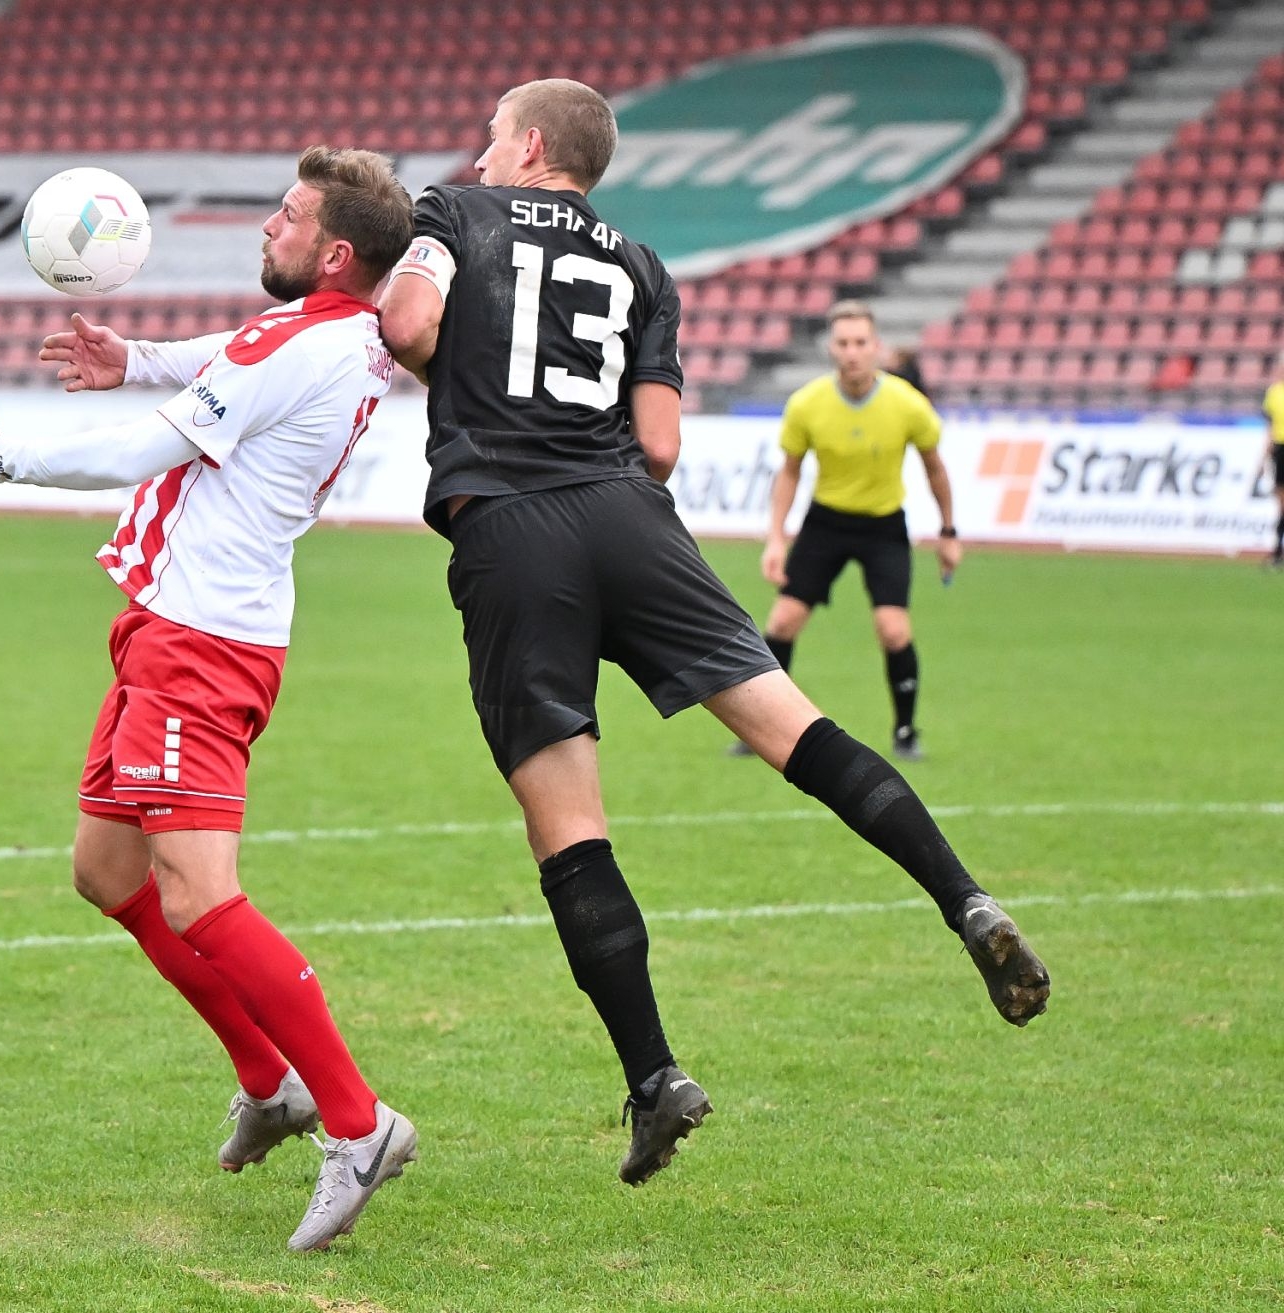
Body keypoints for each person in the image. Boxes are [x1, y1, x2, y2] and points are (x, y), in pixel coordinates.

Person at [378, 79, 1049, 1188]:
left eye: (493, 137)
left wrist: (464, 380)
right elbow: (660, 443)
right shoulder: (643, 265)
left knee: (570, 827)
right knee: (798, 727)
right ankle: (964, 897)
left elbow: (407, 323)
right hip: (629, 516)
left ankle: (656, 1077)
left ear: (530, 144)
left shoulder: (455, 211)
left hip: (510, 526)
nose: (481, 154)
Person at [0, 146, 418, 1253]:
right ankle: (270, 1080)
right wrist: (137, 356)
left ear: (334, 252)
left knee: (202, 896)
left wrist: (1, 457)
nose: (269, 226)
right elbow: (229, 355)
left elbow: (150, 445)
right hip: (175, 630)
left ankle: (359, 1122)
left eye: (288, 215)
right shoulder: (330, 334)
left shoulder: (303, 342)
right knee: (107, 871)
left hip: (203, 646)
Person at [754, 302, 960, 761]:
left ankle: (905, 732)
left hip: (883, 526)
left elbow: (935, 469)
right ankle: (764, 730)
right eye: (843, 343)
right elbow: (789, 472)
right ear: (831, 348)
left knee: (893, 630)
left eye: (860, 343)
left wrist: (948, 532)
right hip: (825, 522)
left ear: (876, 347)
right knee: (782, 622)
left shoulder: (908, 404)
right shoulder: (807, 404)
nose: (852, 352)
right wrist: (776, 537)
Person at [1264, 368, 1283, 567]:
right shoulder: (1274, 393)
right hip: (1280, 448)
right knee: (1281, 504)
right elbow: (1269, 427)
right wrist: (1265, 456)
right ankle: (1277, 551)